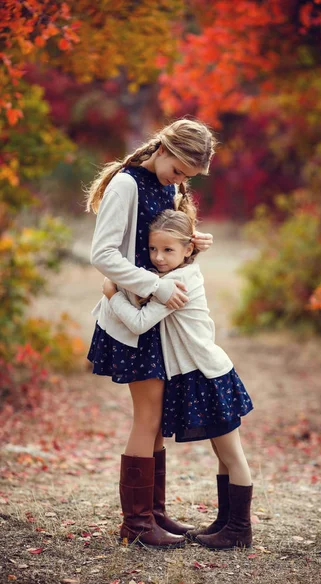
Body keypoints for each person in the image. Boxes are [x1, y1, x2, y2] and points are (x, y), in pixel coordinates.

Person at [86, 119, 216, 549]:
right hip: (133, 316)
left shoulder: (166, 184)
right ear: (164, 148)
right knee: (148, 416)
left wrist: (187, 240)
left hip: (154, 319)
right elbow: (103, 253)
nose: (180, 181)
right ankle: (137, 524)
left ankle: (153, 513)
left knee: (155, 418)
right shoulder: (127, 184)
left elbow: (150, 240)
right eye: (179, 171)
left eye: (187, 178)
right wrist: (156, 286)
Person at [102, 209, 254, 550]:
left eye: (168, 250)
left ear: (188, 249)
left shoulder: (176, 283)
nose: (158, 257)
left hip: (211, 375)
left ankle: (240, 529)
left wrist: (112, 295)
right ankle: (225, 522)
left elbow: (139, 322)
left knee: (232, 455)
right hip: (202, 374)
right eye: (154, 249)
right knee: (221, 452)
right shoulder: (182, 271)